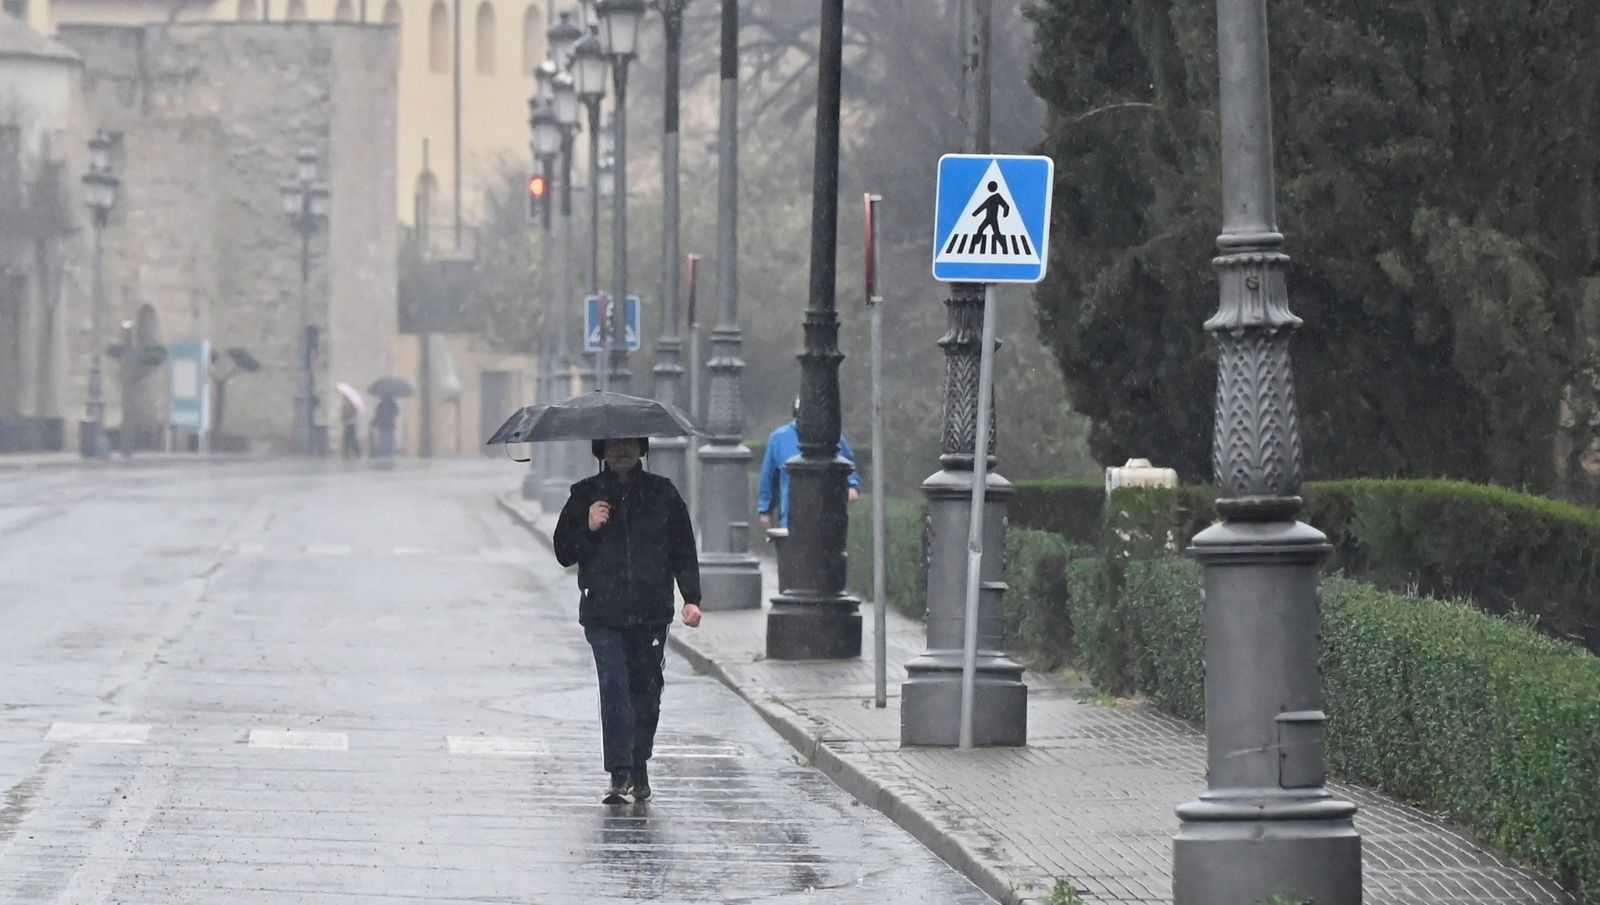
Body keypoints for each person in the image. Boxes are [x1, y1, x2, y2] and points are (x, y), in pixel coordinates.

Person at [552, 437, 703, 804]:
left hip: (651, 611)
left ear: (642, 448)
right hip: (603, 612)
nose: (622, 451)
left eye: (630, 444)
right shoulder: (585, 495)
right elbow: (563, 552)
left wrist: (691, 598)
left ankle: (639, 766)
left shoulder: (662, 493)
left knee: (646, 690)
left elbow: (683, 547)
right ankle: (619, 773)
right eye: (614, 444)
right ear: (601, 450)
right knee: (615, 686)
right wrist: (588, 526)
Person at [758, 397, 861, 529]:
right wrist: (765, 510)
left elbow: (848, 466)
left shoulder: (835, 438)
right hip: (792, 517)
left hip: (828, 518)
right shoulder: (778, 439)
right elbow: (768, 477)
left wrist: (852, 486)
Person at [371, 396, 398, 460]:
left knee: (382, 439)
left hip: (382, 424)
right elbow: (397, 412)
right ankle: (389, 452)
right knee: (389, 439)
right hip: (389, 425)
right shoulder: (393, 405)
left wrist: (374, 422)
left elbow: (377, 415)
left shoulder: (380, 405)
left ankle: (382, 452)